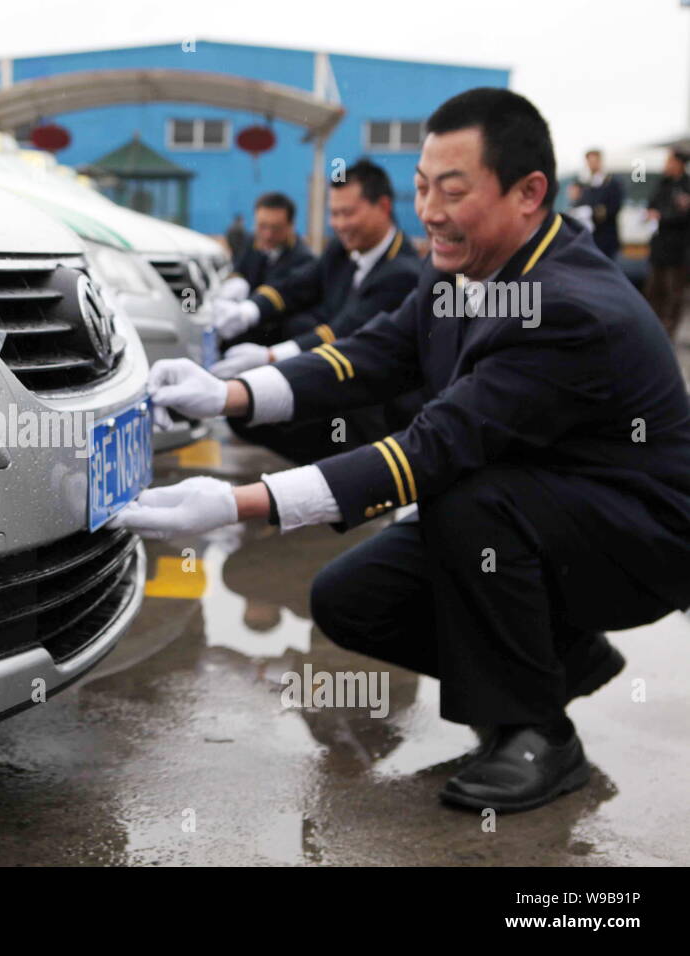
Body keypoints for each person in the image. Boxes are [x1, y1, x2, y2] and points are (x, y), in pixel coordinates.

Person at [117, 88, 690, 814]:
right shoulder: (459, 268)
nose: (431, 211)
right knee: (348, 599)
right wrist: (232, 394)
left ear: (528, 193)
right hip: (549, 509)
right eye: (422, 187)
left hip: (643, 538)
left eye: (453, 191)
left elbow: (435, 447)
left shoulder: (566, 306)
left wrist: (237, 503)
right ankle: (560, 660)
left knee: (466, 496)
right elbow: (377, 351)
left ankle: (535, 731)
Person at [211, 163, 423, 465]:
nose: (338, 223)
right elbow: (300, 285)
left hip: (374, 407)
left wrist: (269, 358)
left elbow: (345, 332)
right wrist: (250, 309)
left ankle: (351, 486)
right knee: (248, 415)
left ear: (384, 206)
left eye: (347, 213)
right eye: (333, 214)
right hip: (336, 380)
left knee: (262, 410)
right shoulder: (343, 249)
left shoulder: (402, 272)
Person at [218, 193, 317, 302]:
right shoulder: (250, 243)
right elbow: (239, 268)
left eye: (276, 228)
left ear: (291, 225)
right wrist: (234, 282)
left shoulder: (304, 260)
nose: (268, 235)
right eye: (262, 226)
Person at [644, 149, 690, 340]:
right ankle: (653, 329)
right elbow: (651, 205)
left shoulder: (686, 186)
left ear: (679, 163)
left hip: (678, 249)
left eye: (669, 161)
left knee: (674, 293)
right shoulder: (663, 183)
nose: (666, 165)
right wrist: (652, 213)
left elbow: (683, 216)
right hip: (659, 247)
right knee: (654, 290)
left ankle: (668, 333)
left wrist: (661, 217)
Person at [576, 149, 623, 259]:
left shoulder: (611, 183)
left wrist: (595, 212)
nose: (591, 165)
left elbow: (614, 207)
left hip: (607, 237)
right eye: (589, 162)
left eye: (594, 161)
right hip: (591, 236)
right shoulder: (586, 184)